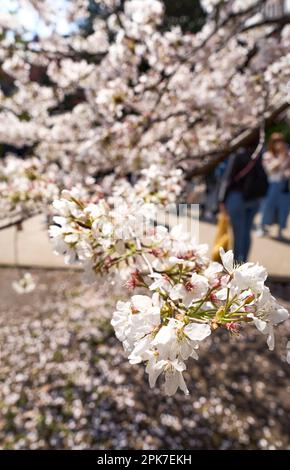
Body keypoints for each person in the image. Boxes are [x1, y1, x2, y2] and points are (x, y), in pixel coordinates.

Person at [219, 146, 268, 263]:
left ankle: (236, 263)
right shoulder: (260, 154)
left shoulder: (238, 155)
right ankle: (244, 261)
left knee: (238, 232)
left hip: (237, 197)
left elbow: (228, 178)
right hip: (255, 198)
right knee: (246, 231)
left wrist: (222, 199)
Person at [259, 133, 290, 239]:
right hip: (272, 184)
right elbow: (270, 170)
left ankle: (280, 230)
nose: (279, 144)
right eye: (276, 141)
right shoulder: (268, 155)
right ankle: (263, 227)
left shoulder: (288, 155)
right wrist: (281, 157)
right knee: (268, 207)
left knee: (283, 209)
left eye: (281, 141)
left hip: (285, 186)